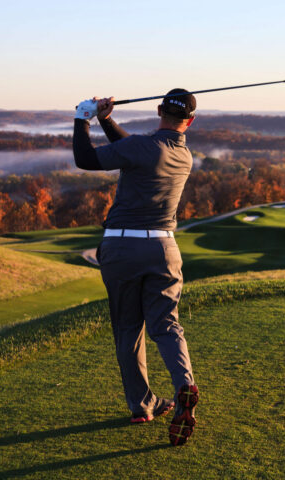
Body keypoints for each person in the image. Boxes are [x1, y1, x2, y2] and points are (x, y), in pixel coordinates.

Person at [73, 90, 199, 446]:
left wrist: (83, 118)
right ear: (190, 121)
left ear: (159, 110)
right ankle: (184, 384)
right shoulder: (184, 156)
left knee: (128, 328)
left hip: (122, 248)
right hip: (164, 248)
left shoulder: (142, 146)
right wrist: (106, 121)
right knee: (166, 325)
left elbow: (85, 159)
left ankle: (142, 406)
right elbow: (133, 150)